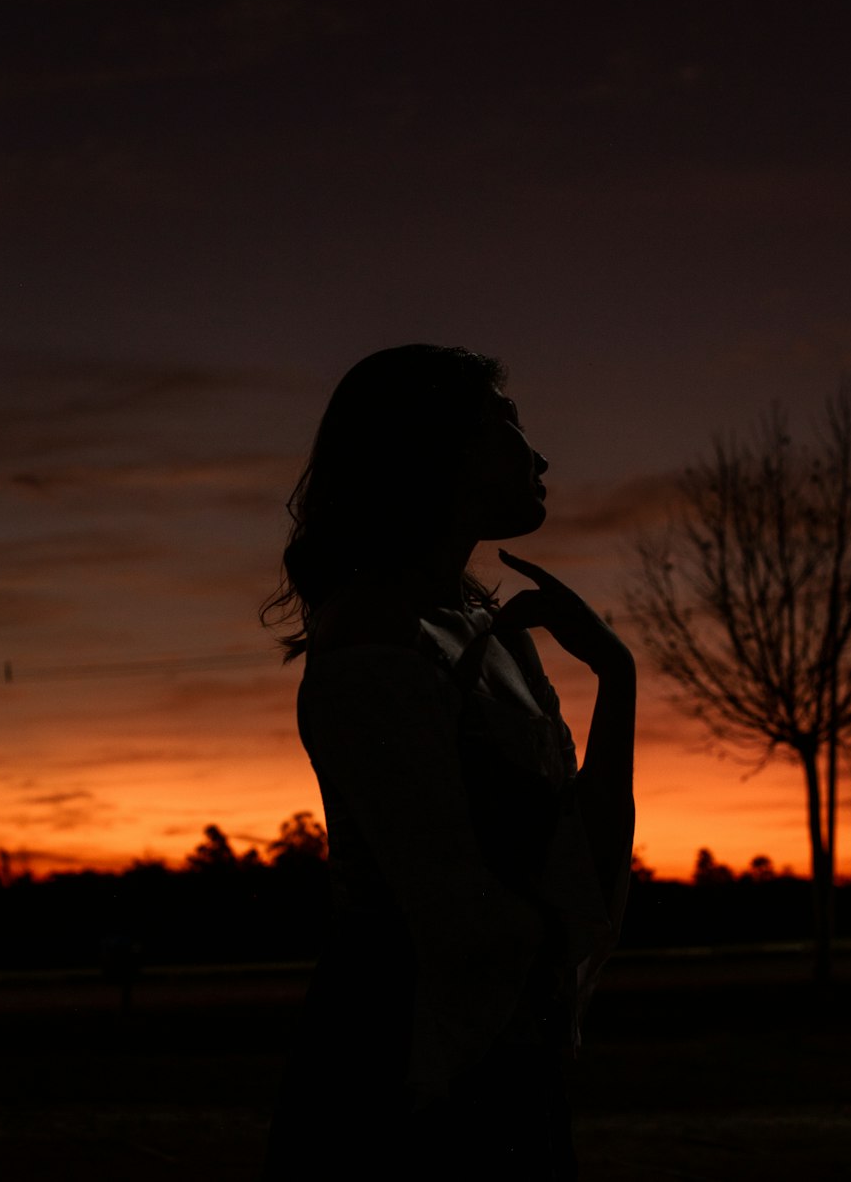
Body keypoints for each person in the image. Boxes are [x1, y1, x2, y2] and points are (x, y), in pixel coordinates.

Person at [260, 344, 635, 1181]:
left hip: (505, 1052)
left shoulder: (484, 630)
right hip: (406, 1065)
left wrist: (618, 677)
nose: (537, 455)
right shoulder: (371, 636)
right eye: (507, 426)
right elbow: (447, 903)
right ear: (435, 449)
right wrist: (535, 947)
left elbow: (583, 859)